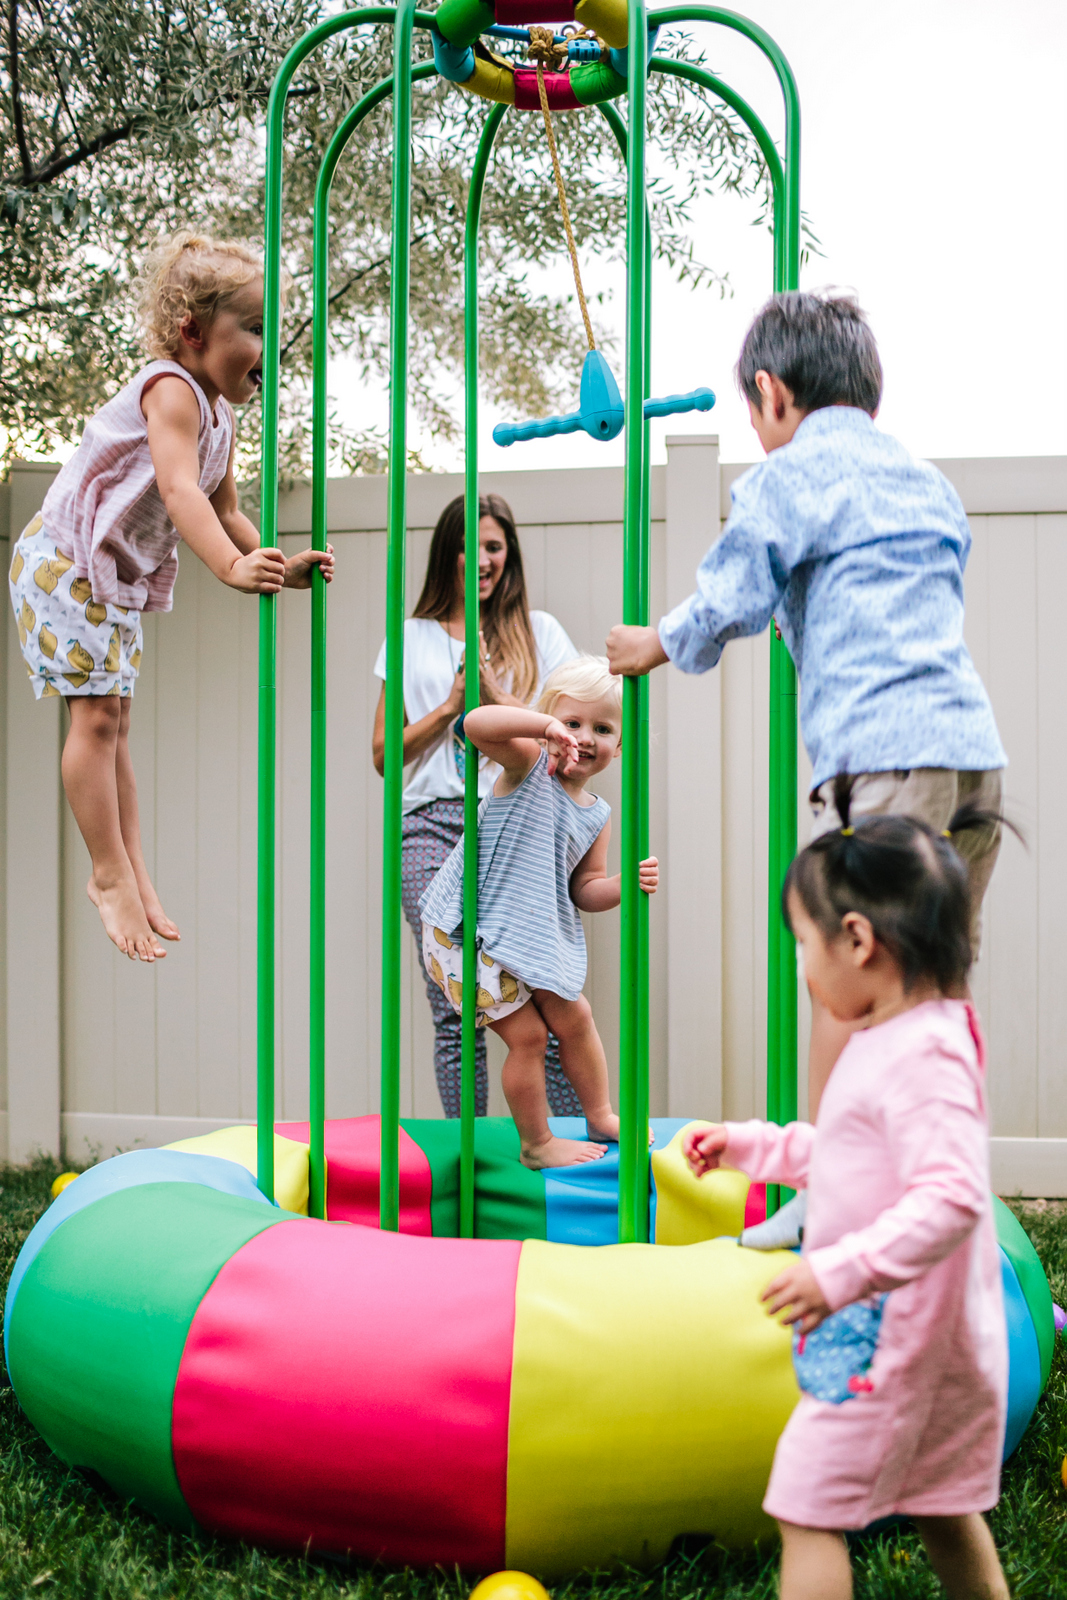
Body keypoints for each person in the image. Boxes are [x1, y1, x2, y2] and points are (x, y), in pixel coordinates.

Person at [606, 289, 1005, 1240]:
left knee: (843, 974)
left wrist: (653, 644)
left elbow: (732, 592)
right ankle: (932, 1182)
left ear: (770, 393)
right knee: (933, 993)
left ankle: (831, 1199)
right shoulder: (923, 480)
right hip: (970, 760)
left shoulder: (789, 476)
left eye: (752, 414)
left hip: (880, 756)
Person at [684, 786, 1009, 1600]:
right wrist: (752, 1147)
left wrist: (840, 1272)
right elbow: (857, 1157)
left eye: (802, 943)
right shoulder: (901, 1035)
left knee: (803, 1504)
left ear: (857, 941)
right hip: (925, 1341)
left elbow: (951, 1196)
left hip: (891, 1347)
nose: (800, 964)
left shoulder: (922, 1057)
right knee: (940, 1506)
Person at [8, 231, 333, 962]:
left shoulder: (221, 416)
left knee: (113, 723)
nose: (267, 348)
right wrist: (226, 570)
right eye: (252, 328)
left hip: (105, 575)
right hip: (63, 562)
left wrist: (274, 560)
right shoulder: (171, 390)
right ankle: (107, 871)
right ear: (192, 333)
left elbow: (224, 511)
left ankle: (131, 869)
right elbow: (180, 491)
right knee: (95, 720)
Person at [372, 493, 580, 1118]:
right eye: (471, 545)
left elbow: (566, 741)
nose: (483, 559)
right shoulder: (407, 639)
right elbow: (384, 755)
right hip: (431, 825)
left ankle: (562, 1148)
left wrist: (491, 694)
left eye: (495, 546)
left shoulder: (542, 634)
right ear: (448, 552)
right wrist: (449, 709)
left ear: (508, 552)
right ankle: (472, 1160)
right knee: (457, 1000)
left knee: (543, 991)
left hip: (519, 823)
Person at [419, 656, 659, 1167]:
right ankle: (536, 1143)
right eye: (572, 722)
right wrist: (541, 726)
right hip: (464, 933)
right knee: (528, 1037)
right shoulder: (529, 766)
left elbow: (585, 889)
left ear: (620, 746)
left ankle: (600, 1114)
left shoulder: (598, 814)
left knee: (576, 1016)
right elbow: (475, 724)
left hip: (524, 934)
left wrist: (621, 886)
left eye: (602, 728)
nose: (585, 737)